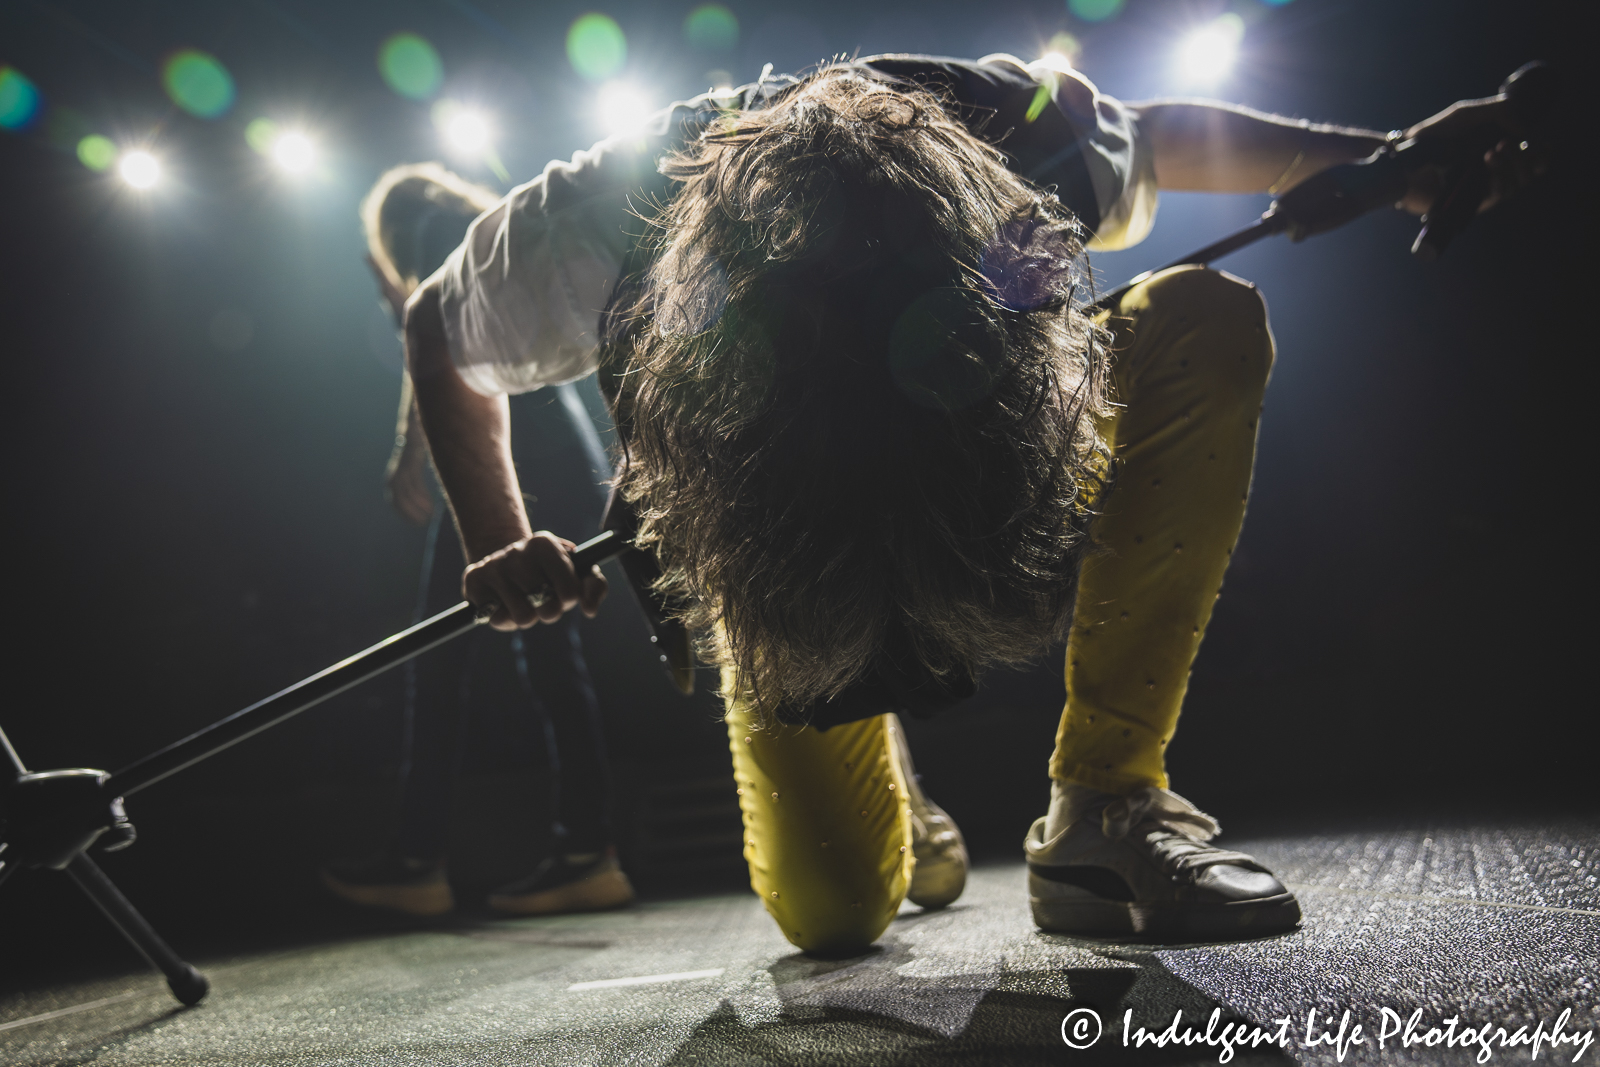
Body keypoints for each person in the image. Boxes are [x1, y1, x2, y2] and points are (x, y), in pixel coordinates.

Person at [395, 56, 1541, 952]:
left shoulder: (1017, 140)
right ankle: (883, 768)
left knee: (1202, 319)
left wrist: (1390, 158)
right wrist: (496, 534)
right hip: (778, 531)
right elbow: (435, 329)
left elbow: (1164, 135)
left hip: (978, 447)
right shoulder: (597, 225)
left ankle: (1107, 801)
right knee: (840, 912)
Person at [319, 164, 633, 918]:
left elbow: (439, 338)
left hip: (520, 451)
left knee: (445, 656)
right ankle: (584, 849)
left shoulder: (426, 233)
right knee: (544, 650)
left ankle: (422, 859)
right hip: (560, 449)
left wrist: (407, 448)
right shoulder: (484, 233)